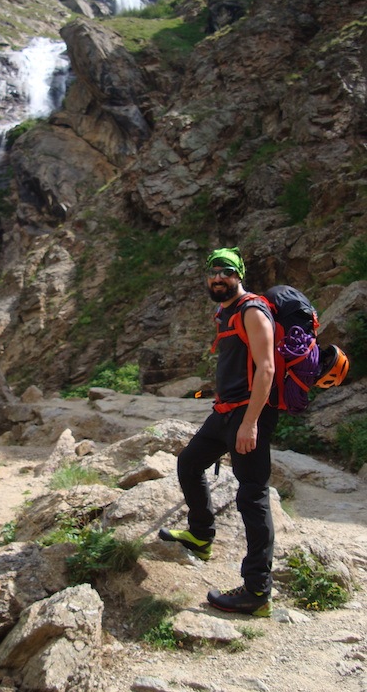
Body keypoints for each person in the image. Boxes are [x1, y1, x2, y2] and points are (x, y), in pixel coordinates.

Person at [159, 246, 278, 617]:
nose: (218, 278)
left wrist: (250, 423)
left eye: (226, 271)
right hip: (225, 413)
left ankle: (257, 592)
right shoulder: (224, 313)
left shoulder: (252, 311)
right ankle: (200, 535)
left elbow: (267, 369)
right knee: (189, 463)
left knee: (252, 497)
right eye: (213, 272)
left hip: (248, 414)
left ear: (239, 275)